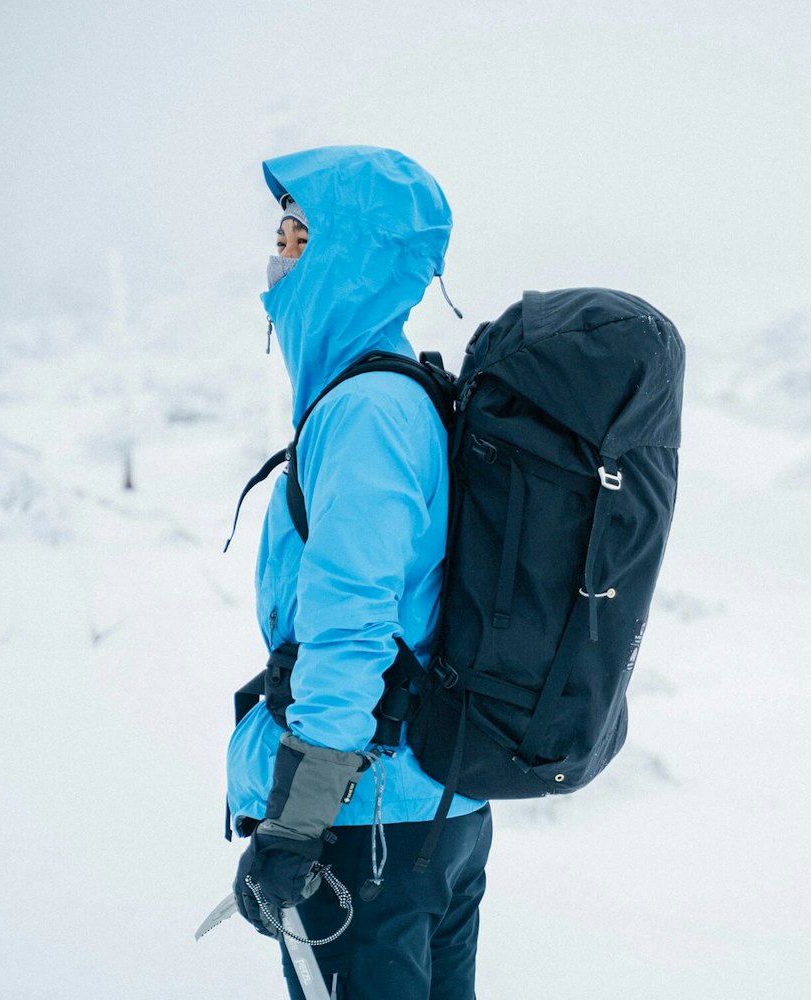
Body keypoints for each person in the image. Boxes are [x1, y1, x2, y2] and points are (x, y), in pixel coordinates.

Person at [225, 145, 491, 1000]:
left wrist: (296, 825)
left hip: (365, 824)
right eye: (279, 235)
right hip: (425, 814)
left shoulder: (370, 413)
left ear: (354, 258)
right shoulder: (398, 395)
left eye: (301, 237)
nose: (279, 260)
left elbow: (352, 626)